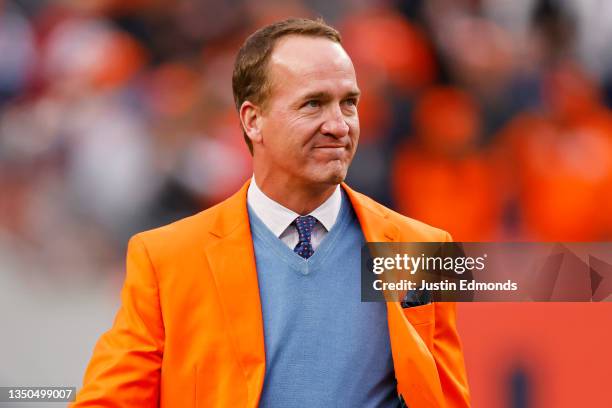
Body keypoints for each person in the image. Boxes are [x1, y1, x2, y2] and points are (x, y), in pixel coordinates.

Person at [72, 18, 470, 408]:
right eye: (313, 103)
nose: (339, 124)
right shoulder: (166, 259)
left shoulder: (422, 250)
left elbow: (446, 398)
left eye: (348, 103)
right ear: (252, 120)